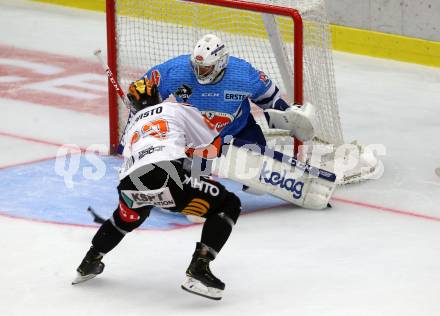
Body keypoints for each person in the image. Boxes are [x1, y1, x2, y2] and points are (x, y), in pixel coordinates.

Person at [73, 79, 242, 301]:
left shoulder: (133, 125)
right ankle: (199, 268)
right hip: (167, 173)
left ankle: (89, 262)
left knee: (127, 218)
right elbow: (210, 142)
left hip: (129, 182)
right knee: (228, 204)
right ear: (158, 97)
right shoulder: (176, 108)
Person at [118, 33, 316, 156]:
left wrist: (288, 114)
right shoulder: (177, 70)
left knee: (258, 160)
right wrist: (137, 108)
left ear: (221, 62)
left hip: (236, 132)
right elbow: (144, 94)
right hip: (192, 136)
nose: (198, 72)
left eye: (205, 68)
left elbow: (269, 99)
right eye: (197, 67)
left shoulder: (242, 74)